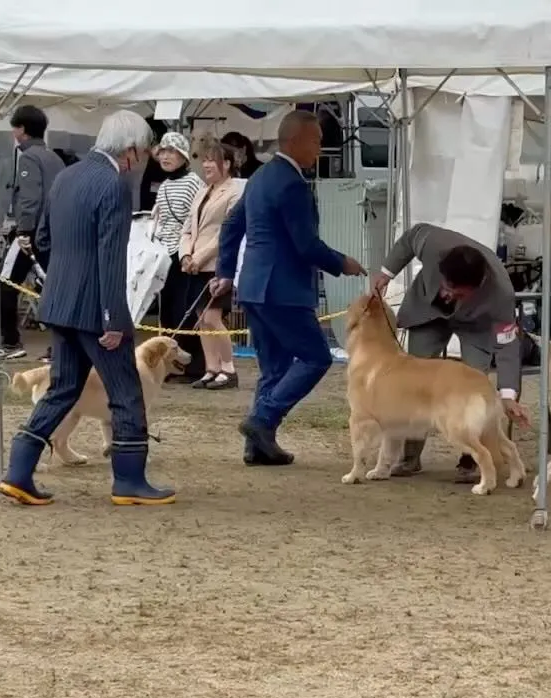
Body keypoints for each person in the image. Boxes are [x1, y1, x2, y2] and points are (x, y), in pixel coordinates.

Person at [0, 110, 175, 507]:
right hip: (97, 308)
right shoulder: (112, 185)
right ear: (129, 151)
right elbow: (112, 255)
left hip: (59, 301)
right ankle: (130, 479)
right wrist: (114, 316)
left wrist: (63, 276)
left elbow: (42, 236)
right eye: (143, 152)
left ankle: (19, 471)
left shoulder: (66, 176)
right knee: (127, 392)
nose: (142, 160)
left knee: (62, 388)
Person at [210, 110, 367, 466]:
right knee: (316, 356)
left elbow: (231, 227)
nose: (320, 148)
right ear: (294, 141)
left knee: (275, 369)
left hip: (253, 286)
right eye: (316, 141)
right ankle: (263, 420)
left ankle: (258, 446)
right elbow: (305, 244)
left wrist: (225, 271)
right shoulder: (292, 184)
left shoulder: (260, 177)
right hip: (283, 289)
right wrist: (343, 263)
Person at [372, 223, 531, 480]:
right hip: (427, 314)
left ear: (477, 286)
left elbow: (507, 344)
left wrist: (509, 394)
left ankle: (472, 459)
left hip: (475, 327)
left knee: (472, 383)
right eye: (446, 286)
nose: (447, 294)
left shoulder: (501, 294)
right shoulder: (433, 243)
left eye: (456, 292)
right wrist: (387, 272)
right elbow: (410, 238)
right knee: (414, 383)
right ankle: (409, 457)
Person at [0, 105, 66, 360]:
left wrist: (24, 229)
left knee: (7, 283)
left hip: (31, 233)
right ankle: (58, 347)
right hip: (53, 232)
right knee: (52, 287)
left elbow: (30, 197)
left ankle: (10, 342)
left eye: (14, 127)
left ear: (22, 130)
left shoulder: (28, 158)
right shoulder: (54, 158)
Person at [179, 141, 243, 390]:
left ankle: (228, 368)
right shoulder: (201, 192)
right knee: (201, 318)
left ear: (226, 164)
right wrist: (185, 255)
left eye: (211, 160)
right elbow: (187, 228)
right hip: (194, 265)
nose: (206, 165)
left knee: (213, 316)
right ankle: (211, 367)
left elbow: (226, 233)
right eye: (204, 159)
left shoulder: (234, 192)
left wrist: (201, 257)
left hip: (216, 265)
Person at [149, 132, 207, 383]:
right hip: (164, 253)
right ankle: (172, 363)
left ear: (183, 156)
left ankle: (194, 363)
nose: (165, 156)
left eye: (171, 152)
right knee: (168, 311)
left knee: (187, 309)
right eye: (162, 151)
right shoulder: (163, 185)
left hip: (185, 253)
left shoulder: (194, 182)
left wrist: (191, 251)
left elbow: (199, 218)